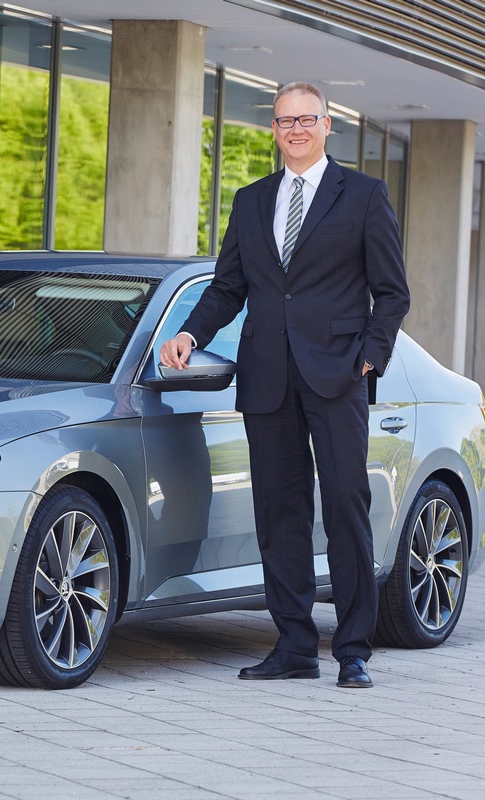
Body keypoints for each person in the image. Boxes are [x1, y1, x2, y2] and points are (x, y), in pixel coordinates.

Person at [159, 81, 410, 688]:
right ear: (273, 130)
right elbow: (227, 287)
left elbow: (393, 293)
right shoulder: (250, 200)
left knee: (347, 507)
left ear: (328, 126)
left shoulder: (366, 196)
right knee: (279, 512)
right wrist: (190, 333)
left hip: (338, 376)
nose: (294, 129)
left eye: (306, 120)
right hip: (268, 376)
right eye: (283, 121)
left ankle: (352, 650)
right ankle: (295, 646)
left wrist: (368, 359)